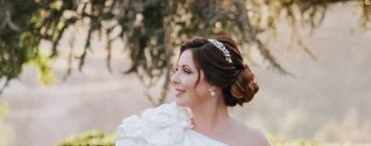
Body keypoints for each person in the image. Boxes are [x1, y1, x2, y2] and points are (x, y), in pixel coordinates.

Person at [116, 35, 271, 146]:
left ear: (214, 82)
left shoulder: (254, 141)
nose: (174, 79)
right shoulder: (155, 130)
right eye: (177, 69)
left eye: (186, 71)